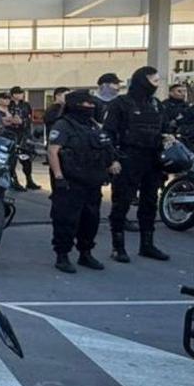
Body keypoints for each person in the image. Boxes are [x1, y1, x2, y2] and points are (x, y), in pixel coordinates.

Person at [104, 66, 172, 263]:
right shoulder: (121, 103)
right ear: (143, 80)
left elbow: (166, 129)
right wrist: (113, 159)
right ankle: (118, 247)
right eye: (154, 80)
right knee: (122, 203)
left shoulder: (157, 105)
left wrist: (168, 139)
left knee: (150, 203)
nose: (157, 84)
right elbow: (108, 133)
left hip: (153, 159)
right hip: (128, 158)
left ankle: (147, 245)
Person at [48, 89, 121, 273]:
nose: (91, 106)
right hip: (70, 182)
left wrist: (113, 161)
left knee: (91, 219)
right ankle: (62, 255)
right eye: (87, 103)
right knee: (66, 220)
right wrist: (58, 177)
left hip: (92, 181)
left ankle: (85, 253)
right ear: (76, 105)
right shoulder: (63, 125)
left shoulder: (94, 125)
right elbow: (53, 151)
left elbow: (106, 147)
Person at [5, 86, 39, 190]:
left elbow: (29, 120)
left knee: (26, 159)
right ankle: (14, 181)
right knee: (12, 160)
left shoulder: (25, 105)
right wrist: (11, 121)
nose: (21, 95)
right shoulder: (7, 105)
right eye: (19, 93)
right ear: (14, 94)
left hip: (23, 135)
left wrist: (23, 122)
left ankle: (29, 180)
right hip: (11, 135)